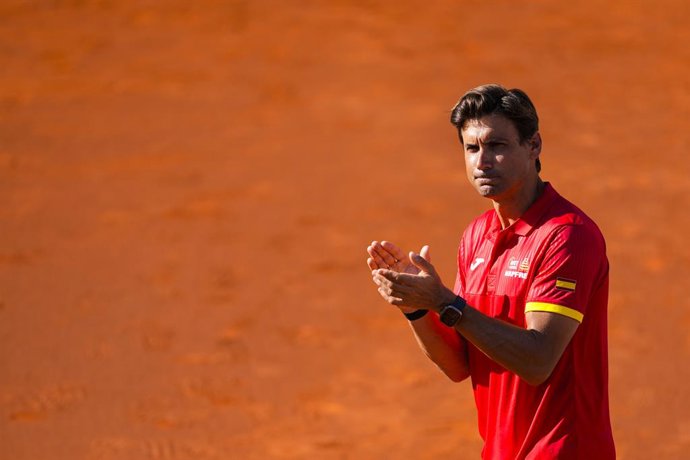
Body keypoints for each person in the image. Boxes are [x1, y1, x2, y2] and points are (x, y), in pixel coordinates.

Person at [366, 84, 615, 459]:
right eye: (471, 148)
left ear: (533, 146)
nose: (482, 161)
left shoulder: (566, 235)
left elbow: (537, 360)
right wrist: (417, 307)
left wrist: (445, 301)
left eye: (497, 146)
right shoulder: (475, 236)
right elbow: (458, 364)